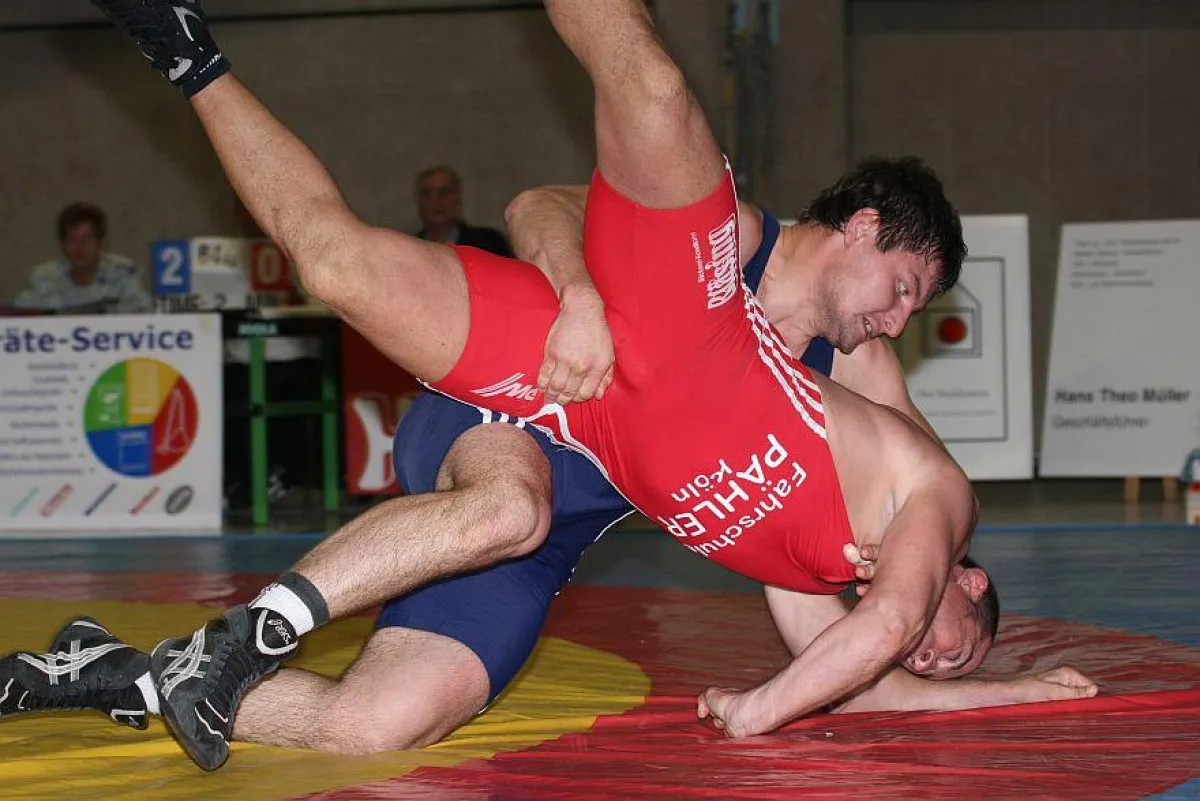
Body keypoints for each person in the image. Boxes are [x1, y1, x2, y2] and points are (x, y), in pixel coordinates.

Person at [3, 0, 1098, 772]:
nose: (899, 321)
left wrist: (975, 667)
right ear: (860, 228)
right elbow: (538, 205)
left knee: (381, 722)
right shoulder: (731, 236)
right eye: (902, 289)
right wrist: (576, 293)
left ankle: (122, 673)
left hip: (578, 498)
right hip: (530, 388)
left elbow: (905, 540)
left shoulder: (860, 374)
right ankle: (188, 53)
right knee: (379, 304)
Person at [11, 202, 152, 313]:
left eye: (86, 239)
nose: (79, 247)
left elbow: (144, 314)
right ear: (62, 244)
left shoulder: (121, 273)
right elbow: (20, 316)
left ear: (101, 242)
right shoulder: (45, 277)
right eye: (72, 240)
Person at [414, 165, 513, 256]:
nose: (437, 200)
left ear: (458, 198)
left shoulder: (489, 242)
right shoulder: (411, 248)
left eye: (445, 192)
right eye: (427, 193)